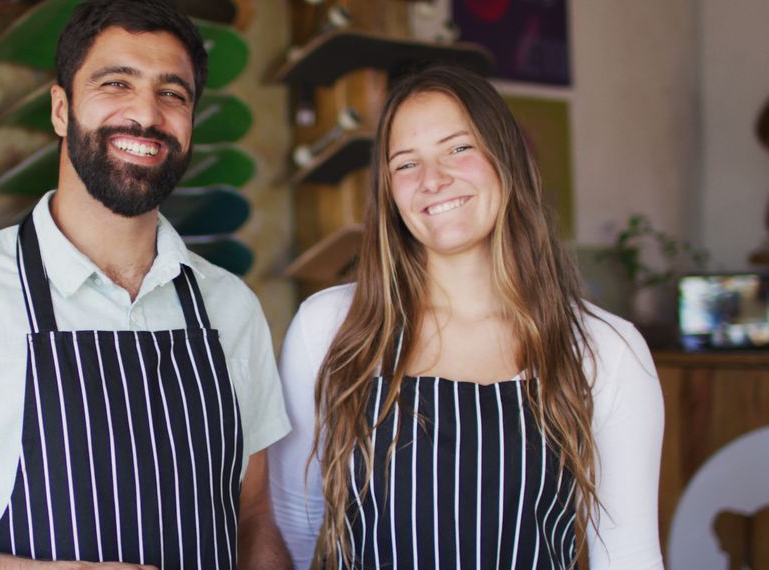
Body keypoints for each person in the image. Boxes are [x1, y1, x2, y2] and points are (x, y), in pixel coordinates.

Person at [0, 1, 292, 568]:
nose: (147, 115)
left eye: (172, 94)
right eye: (115, 83)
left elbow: (254, 518)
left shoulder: (231, 306)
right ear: (61, 109)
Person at [268, 65, 665, 569]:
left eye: (459, 148)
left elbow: (627, 555)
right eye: (406, 164)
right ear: (389, 191)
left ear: (507, 160)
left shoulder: (604, 348)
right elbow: (294, 523)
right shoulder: (330, 327)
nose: (434, 180)